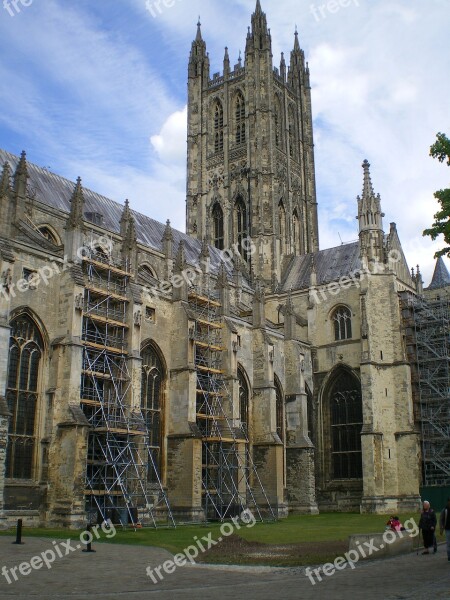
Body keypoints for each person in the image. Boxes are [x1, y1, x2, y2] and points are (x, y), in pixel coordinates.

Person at [439, 497, 450, 562]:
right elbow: (441, 519)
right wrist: (441, 529)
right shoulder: (445, 510)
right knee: (448, 544)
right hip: (447, 529)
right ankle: (449, 556)